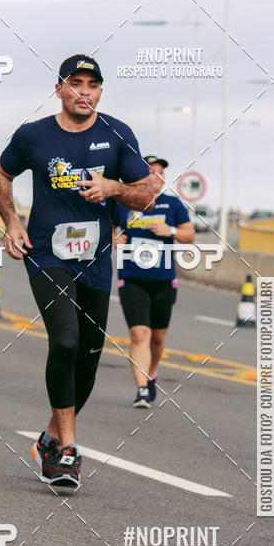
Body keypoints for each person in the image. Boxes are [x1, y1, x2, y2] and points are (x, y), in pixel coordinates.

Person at [0, 54, 157, 487]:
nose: (84, 91)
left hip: (97, 261)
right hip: (47, 254)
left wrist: (114, 187)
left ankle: (49, 436)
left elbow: (149, 193)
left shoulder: (116, 133)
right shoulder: (33, 136)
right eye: (76, 83)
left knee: (87, 359)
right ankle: (67, 451)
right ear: (60, 88)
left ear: (100, 91)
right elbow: (1, 175)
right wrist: (12, 222)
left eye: (93, 85)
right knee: (64, 339)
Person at [113, 155, 195, 408]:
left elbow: (189, 234)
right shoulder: (124, 204)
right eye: (151, 171)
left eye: (160, 172)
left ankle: (150, 374)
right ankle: (141, 390)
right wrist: (114, 239)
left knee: (157, 338)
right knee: (139, 334)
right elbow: (108, 229)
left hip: (162, 278)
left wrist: (170, 231)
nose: (156, 176)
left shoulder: (172, 204)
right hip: (132, 277)